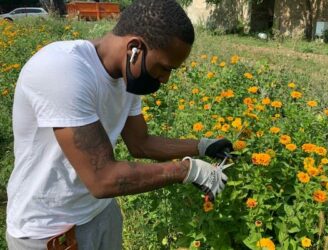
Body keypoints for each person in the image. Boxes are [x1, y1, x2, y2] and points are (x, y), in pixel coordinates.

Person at [6, 1, 233, 249]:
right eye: (165, 67)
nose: (166, 79)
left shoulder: (126, 74)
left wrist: (202, 147)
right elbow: (102, 178)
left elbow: (141, 143)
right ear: (135, 48)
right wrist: (187, 170)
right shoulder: (63, 70)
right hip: (49, 229)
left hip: (100, 212)